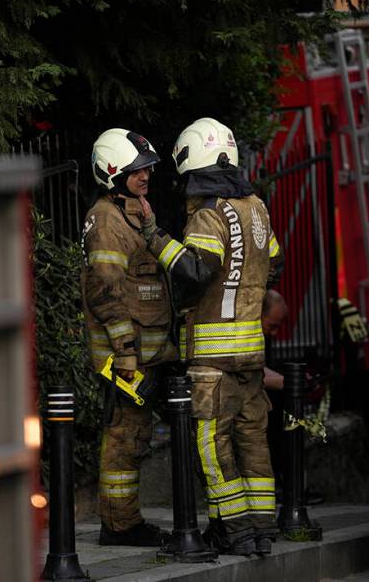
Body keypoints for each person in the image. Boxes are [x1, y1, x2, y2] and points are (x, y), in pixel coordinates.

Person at [139, 117, 283, 556]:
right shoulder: (256, 206)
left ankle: (233, 532)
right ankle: (262, 530)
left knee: (211, 443)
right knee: (253, 440)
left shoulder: (208, 213)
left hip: (212, 360)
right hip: (251, 356)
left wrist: (155, 237)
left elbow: (198, 269)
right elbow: (273, 261)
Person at [81, 128, 178, 546]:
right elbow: (104, 291)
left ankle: (124, 522)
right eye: (137, 170)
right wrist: (124, 353)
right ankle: (120, 527)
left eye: (147, 168)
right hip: (126, 359)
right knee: (124, 440)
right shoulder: (106, 219)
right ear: (111, 172)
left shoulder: (134, 212)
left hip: (147, 354)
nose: (146, 176)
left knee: (135, 439)